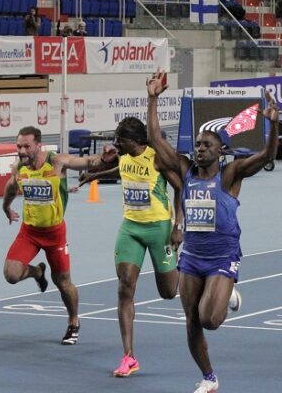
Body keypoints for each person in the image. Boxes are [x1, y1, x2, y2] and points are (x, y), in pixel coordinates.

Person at [145, 71, 278, 393]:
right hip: (192, 256)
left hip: (222, 256)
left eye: (207, 145)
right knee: (191, 320)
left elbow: (267, 156)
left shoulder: (231, 174)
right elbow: (155, 140)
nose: (200, 148)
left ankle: (228, 292)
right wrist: (152, 99)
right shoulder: (184, 169)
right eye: (198, 144)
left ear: (220, 151)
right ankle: (209, 377)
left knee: (209, 320)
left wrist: (273, 125)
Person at [1, 126, 118, 345]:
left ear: (38, 145)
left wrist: (105, 158)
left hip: (55, 234)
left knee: (63, 282)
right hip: (29, 232)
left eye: (26, 146)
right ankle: (36, 271)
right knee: (11, 274)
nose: (22, 151)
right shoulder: (18, 168)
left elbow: (89, 162)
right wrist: (6, 208)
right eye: (19, 146)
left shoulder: (58, 161)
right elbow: (10, 187)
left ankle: (73, 321)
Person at [109, 117, 184, 377]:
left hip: (159, 230)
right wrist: (94, 174)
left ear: (136, 141)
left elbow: (180, 187)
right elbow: (117, 169)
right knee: (124, 287)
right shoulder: (122, 157)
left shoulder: (157, 159)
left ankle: (190, 271)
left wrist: (178, 226)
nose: (116, 142)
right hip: (130, 228)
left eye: (120, 139)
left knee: (168, 292)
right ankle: (128, 356)